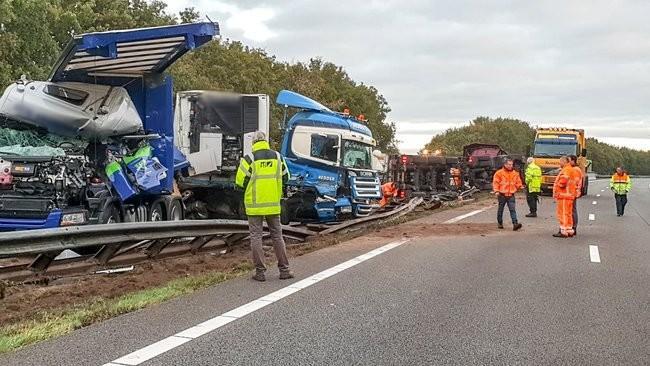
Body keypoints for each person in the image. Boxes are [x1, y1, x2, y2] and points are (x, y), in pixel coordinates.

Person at [235, 131, 293, 282]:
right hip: (273, 205)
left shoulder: (249, 159)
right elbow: (287, 177)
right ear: (266, 141)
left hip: (255, 206)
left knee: (256, 237)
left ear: (253, 143)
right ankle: (284, 270)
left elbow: (239, 182)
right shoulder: (277, 157)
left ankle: (260, 272)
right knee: (277, 237)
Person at [492, 159, 524, 231]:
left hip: (511, 195)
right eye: (509, 164)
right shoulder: (499, 173)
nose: (510, 166)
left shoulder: (515, 173)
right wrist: (496, 191)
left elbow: (518, 182)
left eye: (511, 164)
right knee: (500, 210)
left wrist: (520, 186)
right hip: (502, 194)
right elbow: (495, 183)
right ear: (505, 164)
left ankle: (515, 224)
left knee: (512, 210)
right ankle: (500, 223)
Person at [552, 156, 577, 237]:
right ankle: (569, 230)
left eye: (560, 162)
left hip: (564, 195)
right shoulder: (571, 169)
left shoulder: (566, 170)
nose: (559, 163)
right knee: (568, 213)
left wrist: (558, 185)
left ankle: (563, 230)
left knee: (563, 213)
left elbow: (563, 181)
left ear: (564, 162)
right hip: (569, 195)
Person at [568, 155, 584, 235]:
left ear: (573, 161)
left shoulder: (576, 170)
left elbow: (575, 182)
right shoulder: (573, 169)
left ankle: (574, 227)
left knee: (572, 210)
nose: (568, 162)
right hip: (570, 192)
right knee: (571, 210)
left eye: (569, 160)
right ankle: (572, 226)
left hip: (572, 193)